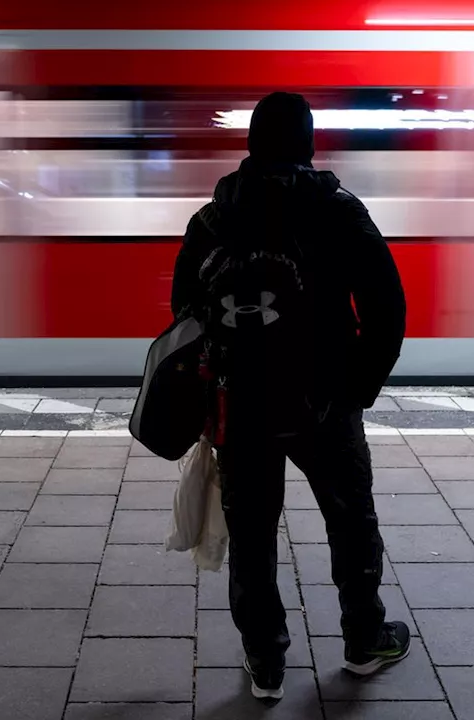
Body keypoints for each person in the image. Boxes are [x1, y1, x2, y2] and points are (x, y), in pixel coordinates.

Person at [170, 92, 409, 701]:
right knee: (350, 518)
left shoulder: (213, 217)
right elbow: (387, 305)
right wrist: (360, 387)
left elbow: (184, 311)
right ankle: (363, 640)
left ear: (250, 143)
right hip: (325, 399)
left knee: (251, 532)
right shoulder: (338, 209)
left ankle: (265, 662)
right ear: (308, 142)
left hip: (240, 403)